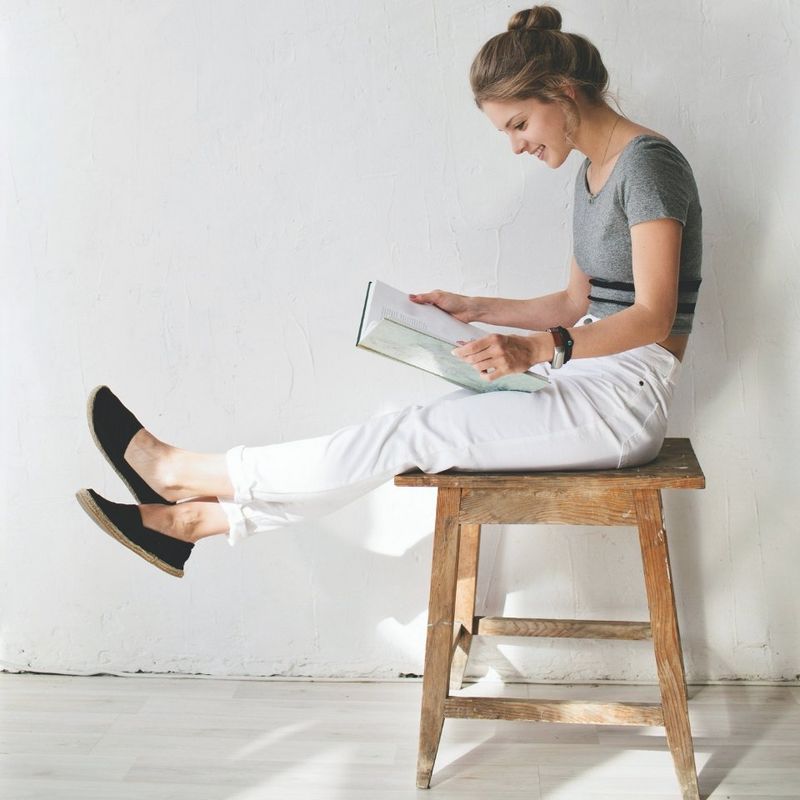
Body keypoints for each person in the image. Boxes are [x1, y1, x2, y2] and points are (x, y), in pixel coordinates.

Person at [76, 4, 701, 578]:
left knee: (413, 434)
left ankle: (187, 476)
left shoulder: (648, 165)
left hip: (623, 402)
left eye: (519, 123)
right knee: (394, 428)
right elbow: (574, 304)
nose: (516, 144)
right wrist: (473, 308)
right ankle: (193, 522)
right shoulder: (594, 171)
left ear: (563, 92)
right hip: (584, 380)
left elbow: (652, 316)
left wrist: (536, 349)